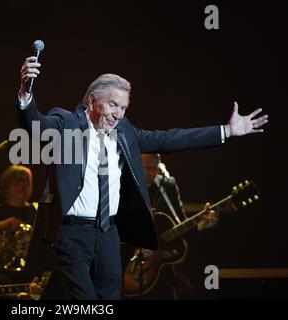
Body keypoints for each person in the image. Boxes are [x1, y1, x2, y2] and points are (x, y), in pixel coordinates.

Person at [16, 55, 268, 300]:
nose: (118, 114)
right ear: (92, 101)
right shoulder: (67, 122)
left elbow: (169, 139)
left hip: (108, 234)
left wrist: (227, 131)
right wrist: (26, 94)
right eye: (113, 105)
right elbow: (35, 124)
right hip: (70, 234)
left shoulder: (123, 130)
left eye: (123, 108)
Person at [138, 153, 218, 299]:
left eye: (154, 168)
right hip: (130, 262)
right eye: (146, 168)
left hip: (161, 267)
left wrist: (201, 225)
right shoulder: (123, 185)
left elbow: (180, 223)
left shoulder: (167, 185)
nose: (151, 172)